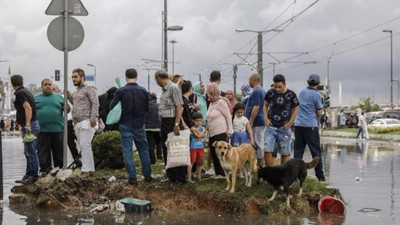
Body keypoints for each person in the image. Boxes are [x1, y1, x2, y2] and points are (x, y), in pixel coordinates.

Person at [110, 68, 152, 185]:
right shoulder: (143, 90)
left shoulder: (121, 91)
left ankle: (132, 177)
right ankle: (147, 175)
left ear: (125, 77)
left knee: (127, 151)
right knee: (143, 150)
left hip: (125, 124)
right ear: (136, 76)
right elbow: (147, 108)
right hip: (139, 124)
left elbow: (111, 107)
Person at [155, 69, 186, 184]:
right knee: (166, 149)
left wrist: (176, 124)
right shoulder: (164, 91)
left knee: (175, 149)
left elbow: (179, 107)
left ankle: (180, 178)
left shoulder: (174, 88)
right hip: (164, 122)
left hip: (172, 122)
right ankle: (171, 176)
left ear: (159, 78)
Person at [293, 74, 326, 182]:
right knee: (315, 151)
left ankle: (295, 175)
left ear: (307, 82)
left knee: (298, 151)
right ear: (318, 83)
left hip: (298, 125)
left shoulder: (302, 92)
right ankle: (320, 176)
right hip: (310, 126)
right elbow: (320, 112)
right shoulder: (317, 95)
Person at [264, 74, 299, 166]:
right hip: (271, 127)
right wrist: (266, 118)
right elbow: (265, 105)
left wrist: (290, 123)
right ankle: (271, 173)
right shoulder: (270, 93)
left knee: (285, 152)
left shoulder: (291, 94)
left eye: (280, 87)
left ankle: (284, 174)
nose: (277, 89)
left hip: (284, 127)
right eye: (275, 87)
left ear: (285, 84)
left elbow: (296, 109)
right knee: (267, 149)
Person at [35, 79, 67, 177]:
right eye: (45, 85)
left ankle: (60, 169)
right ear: (42, 86)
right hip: (42, 130)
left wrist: (67, 106)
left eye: (49, 84)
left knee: (58, 151)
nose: (48, 86)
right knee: (43, 152)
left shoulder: (59, 97)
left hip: (57, 129)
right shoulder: (36, 98)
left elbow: (67, 110)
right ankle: (45, 170)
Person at [11, 74, 40, 184]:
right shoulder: (26, 91)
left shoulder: (19, 93)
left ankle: (33, 175)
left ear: (12, 83)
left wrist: (27, 125)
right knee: (28, 151)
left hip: (30, 125)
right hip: (32, 124)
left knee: (31, 151)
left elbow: (28, 108)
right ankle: (28, 174)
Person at [71, 68, 99, 176]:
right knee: (84, 146)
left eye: (75, 77)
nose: (73, 79)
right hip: (78, 123)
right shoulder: (78, 91)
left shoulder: (89, 88)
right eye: (72, 77)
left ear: (82, 77)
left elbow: (95, 103)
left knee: (84, 145)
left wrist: (93, 117)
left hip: (87, 121)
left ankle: (85, 170)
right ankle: (90, 169)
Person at [207, 83, 233, 178]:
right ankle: (218, 173)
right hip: (212, 132)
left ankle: (223, 173)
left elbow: (228, 116)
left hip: (221, 132)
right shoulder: (211, 103)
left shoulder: (221, 102)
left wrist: (230, 129)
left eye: (209, 93)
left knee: (222, 154)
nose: (208, 95)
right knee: (214, 153)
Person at [52, 84, 80, 165]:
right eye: (52, 89)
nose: (53, 91)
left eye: (54, 89)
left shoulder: (62, 97)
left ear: (58, 89)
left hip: (67, 122)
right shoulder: (52, 98)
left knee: (70, 143)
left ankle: (77, 161)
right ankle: (60, 164)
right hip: (57, 123)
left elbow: (70, 110)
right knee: (58, 145)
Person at [245, 73, 266, 167]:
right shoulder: (261, 90)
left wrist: (251, 120)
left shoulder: (257, 91)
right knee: (257, 141)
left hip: (257, 121)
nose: (249, 82)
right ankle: (257, 164)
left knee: (258, 142)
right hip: (259, 120)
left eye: (249, 80)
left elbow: (256, 107)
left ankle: (260, 166)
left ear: (254, 80)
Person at [145, 93, 162, 163]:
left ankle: (152, 160)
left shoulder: (145, 107)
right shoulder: (158, 106)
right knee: (159, 142)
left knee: (150, 145)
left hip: (147, 128)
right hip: (158, 128)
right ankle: (159, 157)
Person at [188, 112, 206, 182]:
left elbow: (202, 135)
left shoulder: (201, 128)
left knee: (200, 162)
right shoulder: (192, 128)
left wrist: (203, 131)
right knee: (191, 162)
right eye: (197, 121)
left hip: (201, 147)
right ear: (193, 121)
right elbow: (198, 136)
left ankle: (199, 176)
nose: (199, 122)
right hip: (193, 148)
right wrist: (203, 131)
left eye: (200, 121)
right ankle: (189, 178)